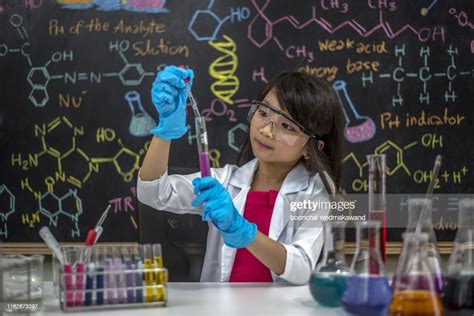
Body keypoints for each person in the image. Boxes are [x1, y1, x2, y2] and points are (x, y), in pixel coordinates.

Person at [137, 66, 343, 285]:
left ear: (311, 147)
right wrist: (166, 130)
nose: (266, 131)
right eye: (263, 113)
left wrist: (244, 231)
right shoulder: (225, 183)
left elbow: (301, 267)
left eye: (286, 126)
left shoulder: (316, 192)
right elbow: (153, 193)